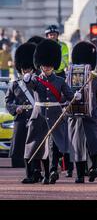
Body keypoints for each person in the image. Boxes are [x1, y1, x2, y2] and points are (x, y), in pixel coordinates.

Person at [23, 39, 76, 184]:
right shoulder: (36, 80)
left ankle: (53, 170)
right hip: (39, 116)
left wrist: (73, 98)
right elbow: (31, 85)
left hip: (55, 115)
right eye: (44, 66)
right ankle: (45, 173)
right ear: (40, 66)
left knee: (54, 146)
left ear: (53, 66)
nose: (46, 68)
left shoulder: (60, 81)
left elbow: (69, 97)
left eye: (49, 66)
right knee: (40, 147)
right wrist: (26, 79)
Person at [67, 41, 97, 183]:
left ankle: (94, 168)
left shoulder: (94, 79)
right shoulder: (70, 78)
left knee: (93, 144)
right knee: (77, 146)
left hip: (91, 114)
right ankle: (80, 174)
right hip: (75, 116)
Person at [5, 43, 41, 179]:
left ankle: (37, 172)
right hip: (21, 119)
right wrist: (16, 108)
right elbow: (8, 102)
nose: (26, 71)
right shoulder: (15, 84)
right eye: (24, 69)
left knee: (36, 147)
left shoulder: (38, 82)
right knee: (22, 148)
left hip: (35, 118)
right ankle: (29, 174)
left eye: (28, 69)